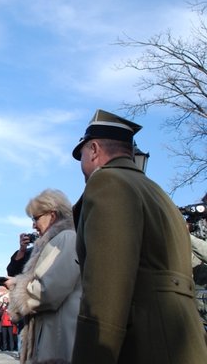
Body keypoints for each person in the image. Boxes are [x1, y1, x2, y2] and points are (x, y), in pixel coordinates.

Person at [71, 109, 207, 364]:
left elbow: (107, 289)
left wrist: (92, 355)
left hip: (142, 346)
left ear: (94, 149)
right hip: (181, 343)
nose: (81, 164)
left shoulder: (109, 184)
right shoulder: (157, 193)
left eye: (81, 155)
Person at [6, 189, 81, 363]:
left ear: (52, 215)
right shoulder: (56, 241)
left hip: (59, 337)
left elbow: (49, 291)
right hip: (52, 333)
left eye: (36, 218)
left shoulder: (66, 239)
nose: (33, 225)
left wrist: (17, 287)